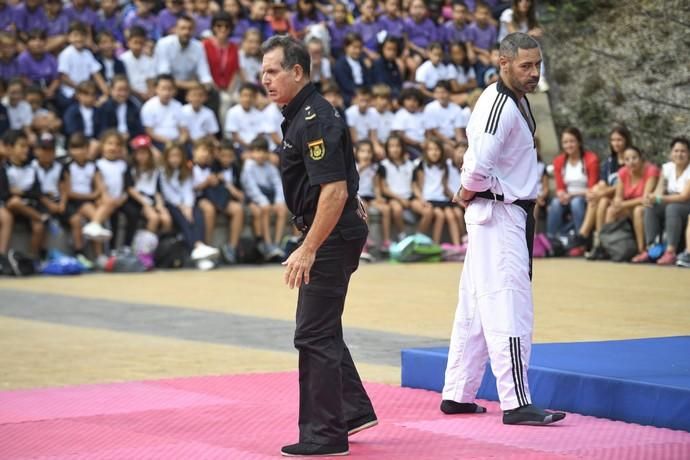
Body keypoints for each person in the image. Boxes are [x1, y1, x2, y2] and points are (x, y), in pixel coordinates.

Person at [260, 35, 377, 457]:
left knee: (312, 334)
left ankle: (325, 435)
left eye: (273, 71)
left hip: (327, 233)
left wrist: (308, 248)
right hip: (331, 227)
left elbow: (333, 190)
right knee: (323, 326)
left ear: (296, 71)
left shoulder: (313, 118)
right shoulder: (300, 114)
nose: (266, 80)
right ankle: (350, 410)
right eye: (262, 73)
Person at [442, 32, 566, 425]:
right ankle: (516, 402)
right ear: (504, 63)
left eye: (537, 65)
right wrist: (466, 190)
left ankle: (458, 393)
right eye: (525, 66)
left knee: (477, 309)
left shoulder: (518, 100)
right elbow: (478, 164)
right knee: (510, 306)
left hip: (501, 213)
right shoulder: (500, 106)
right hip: (499, 217)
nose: (533, 73)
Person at [159, 142, 220, 262]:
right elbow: (168, 194)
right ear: (166, 157)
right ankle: (197, 246)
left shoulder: (186, 171)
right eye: (172, 156)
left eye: (178, 156)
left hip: (187, 204)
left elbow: (188, 190)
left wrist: (189, 206)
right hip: (172, 204)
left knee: (197, 216)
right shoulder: (162, 172)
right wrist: (182, 207)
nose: (175, 159)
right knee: (184, 220)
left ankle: (201, 249)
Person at [637, 137, 690, 265]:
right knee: (651, 206)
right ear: (671, 153)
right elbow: (659, 190)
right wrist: (651, 198)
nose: (679, 154)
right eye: (676, 151)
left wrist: (660, 198)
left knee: (673, 208)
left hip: (686, 204)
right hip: (671, 201)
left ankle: (670, 251)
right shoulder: (667, 168)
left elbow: (684, 196)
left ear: (689, 153)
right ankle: (652, 248)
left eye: (683, 151)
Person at [546, 127, 599, 240]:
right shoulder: (559, 161)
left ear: (579, 142)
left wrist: (571, 195)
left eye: (572, 141)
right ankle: (551, 240)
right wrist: (561, 194)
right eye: (565, 142)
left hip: (585, 198)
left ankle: (580, 240)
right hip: (567, 196)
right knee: (555, 203)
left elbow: (592, 188)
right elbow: (560, 187)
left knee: (576, 202)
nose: (568, 145)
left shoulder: (591, 159)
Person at [240, 136, 287, 260]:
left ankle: (277, 243)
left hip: (269, 195)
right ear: (251, 153)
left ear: (267, 153)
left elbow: (278, 184)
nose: (260, 155)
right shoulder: (248, 166)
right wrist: (263, 201)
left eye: (263, 151)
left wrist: (278, 201)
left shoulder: (270, 167)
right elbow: (251, 188)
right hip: (253, 197)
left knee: (282, 209)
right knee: (265, 209)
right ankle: (267, 243)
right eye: (256, 151)